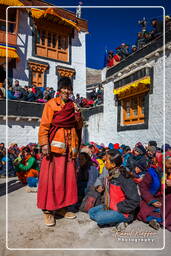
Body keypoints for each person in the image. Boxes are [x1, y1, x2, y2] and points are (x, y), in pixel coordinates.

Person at [37, 77, 83, 226]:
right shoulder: (51, 104)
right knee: (51, 180)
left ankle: (62, 208)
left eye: (69, 89)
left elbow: (79, 126)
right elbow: (44, 125)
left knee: (66, 181)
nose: (66, 91)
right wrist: (44, 144)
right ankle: (48, 211)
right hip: (54, 150)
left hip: (69, 150)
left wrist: (78, 114)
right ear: (59, 89)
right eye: (64, 88)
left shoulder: (72, 105)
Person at [88, 150, 140, 231]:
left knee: (99, 218)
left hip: (122, 210)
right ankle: (114, 219)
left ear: (113, 164)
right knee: (91, 212)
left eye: (106, 161)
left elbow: (135, 200)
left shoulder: (124, 177)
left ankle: (125, 219)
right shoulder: (110, 173)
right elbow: (101, 179)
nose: (105, 163)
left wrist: (118, 207)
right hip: (110, 205)